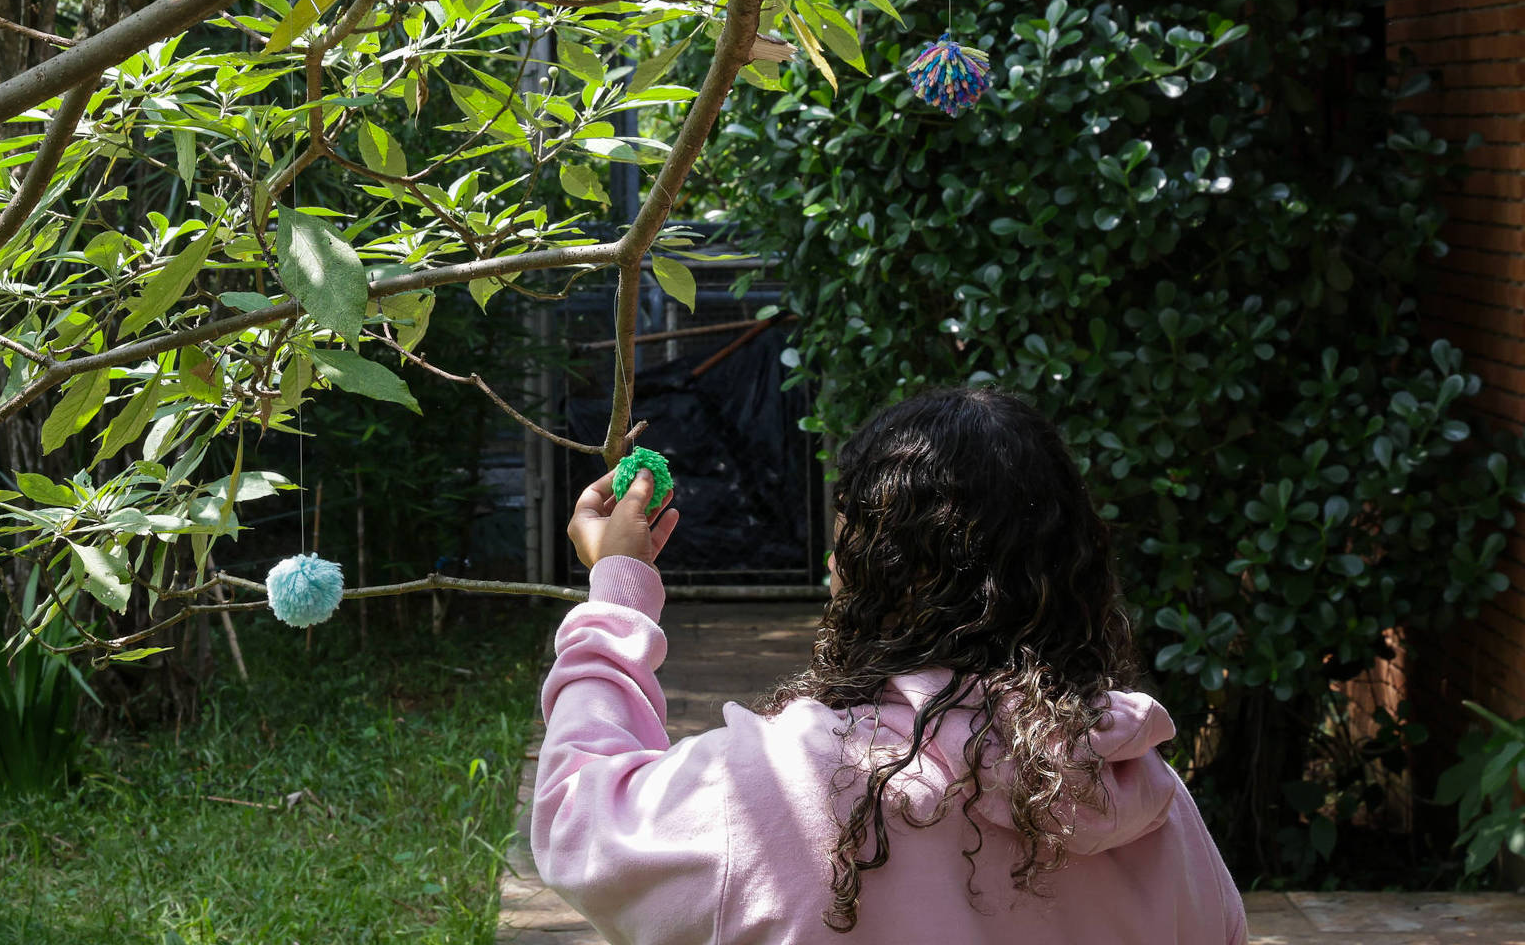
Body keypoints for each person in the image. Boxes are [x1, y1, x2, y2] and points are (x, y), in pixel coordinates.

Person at [531, 385, 1245, 943]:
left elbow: (579, 821)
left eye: (847, 546)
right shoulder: (1148, 802)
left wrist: (619, 589)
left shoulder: (773, 788)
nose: (832, 566)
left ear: (870, 577)